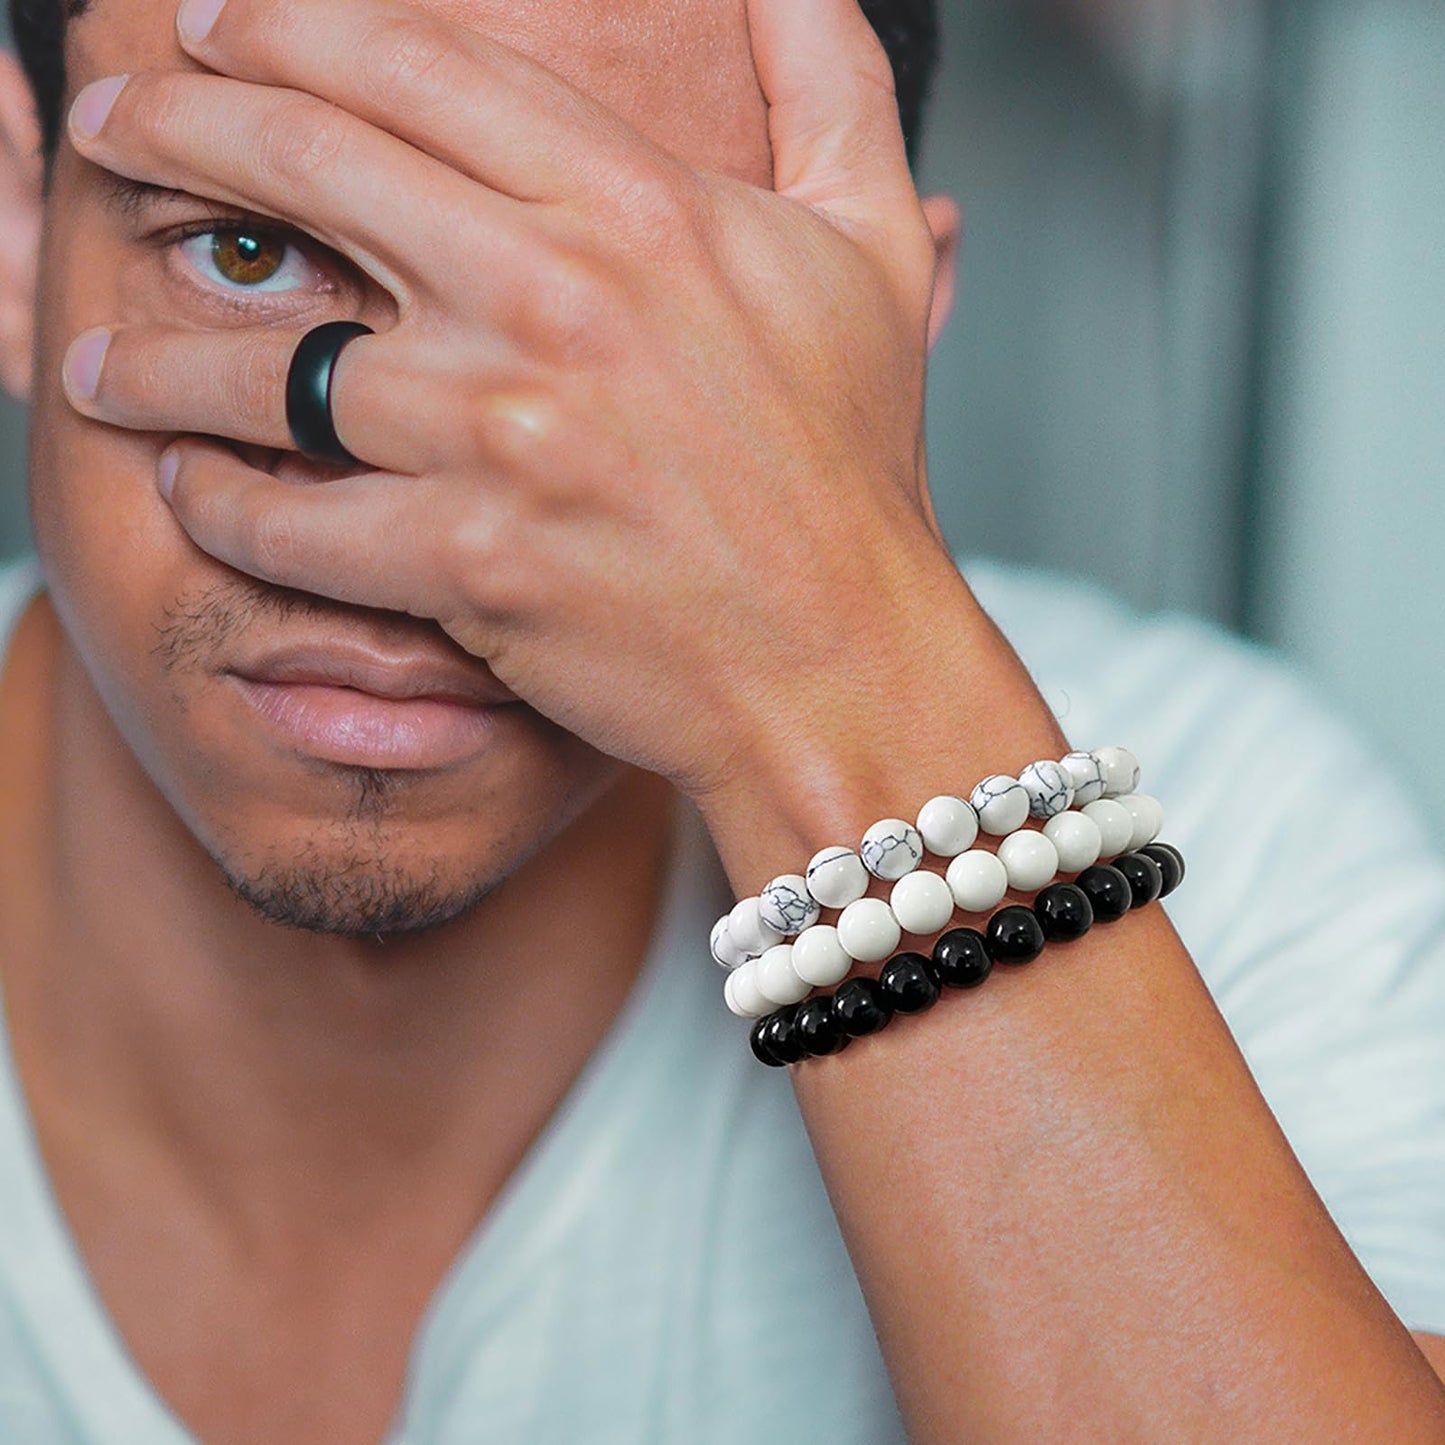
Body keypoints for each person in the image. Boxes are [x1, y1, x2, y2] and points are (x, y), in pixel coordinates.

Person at [0, 0, 1440, 1439]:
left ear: (882, 345)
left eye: (614, 316)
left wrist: (838, 665)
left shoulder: (1233, 853)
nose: (415, 521)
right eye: (243, 248)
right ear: (17, 229)